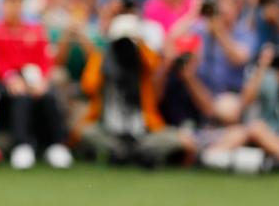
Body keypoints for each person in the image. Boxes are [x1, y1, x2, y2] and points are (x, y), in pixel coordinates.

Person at [77, 14, 192, 166]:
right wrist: (107, 60)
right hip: (110, 131)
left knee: (179, 140)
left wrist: (138, 50)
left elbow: (155, 66)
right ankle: (124, 153)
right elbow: (88, 87)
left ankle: (133, 153)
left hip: (143, 133)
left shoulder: (144, 63)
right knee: (86, 132)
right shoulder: (102, 59)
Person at [200, 42, 279, 173]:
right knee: (243, 130)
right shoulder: (271, 76)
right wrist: (262, 67)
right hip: (271, 135)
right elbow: (245, 101)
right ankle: (208, 157)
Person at [0, 0, 73, 169]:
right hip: (6, 80)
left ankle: (56, 144)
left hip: (34, 77)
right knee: (21, 98)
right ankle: (22, 145)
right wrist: (10, 78)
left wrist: (41, 80)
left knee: (49, 96)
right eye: (9, 2)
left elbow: (44, 59)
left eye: (17, 2)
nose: (13, 6)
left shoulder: (35, 29)